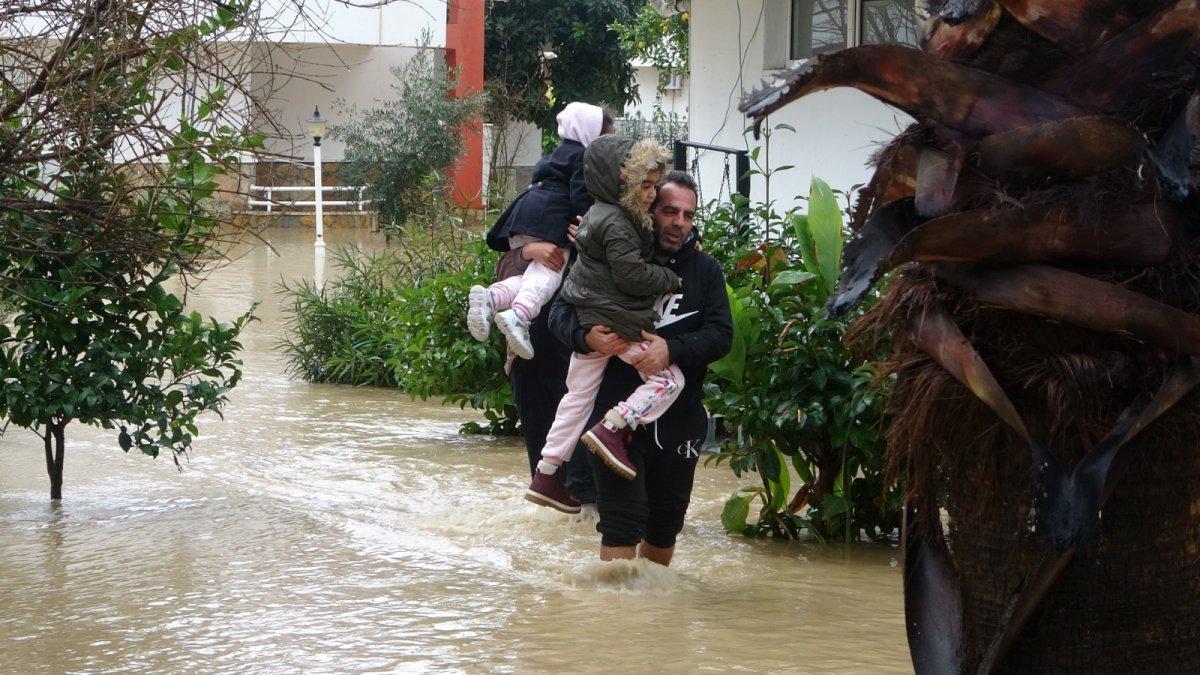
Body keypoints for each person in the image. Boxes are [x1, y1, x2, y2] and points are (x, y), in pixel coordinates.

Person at [548, 171, 732, 565]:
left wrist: (673, 350)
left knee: (665, 525)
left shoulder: (706, 272)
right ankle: (617, 621)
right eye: (669, 211)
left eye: (687, 214)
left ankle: (654, 621)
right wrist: (588, 339)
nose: (678, 222)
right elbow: (559, 312)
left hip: (680, 421)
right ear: (648, 208)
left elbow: (721, 336)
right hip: (611, 425)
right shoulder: (613, 255)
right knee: (620, 522)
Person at [525, 134, 686, 513]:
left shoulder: (601, 216)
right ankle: (614, 427)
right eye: (643, 186)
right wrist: (668, 278)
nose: (650, 196)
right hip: (616, 323)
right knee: (668, 380)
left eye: (653, 187)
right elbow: (631, 276)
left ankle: (547, 474)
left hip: (595, 317)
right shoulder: (618, 223)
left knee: (576, 397)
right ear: (621, 183)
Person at [467, 102, 614, 360]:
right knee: (550, 270)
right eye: (606, 137)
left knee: (532, 278)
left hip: (525, 215)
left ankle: (492, 297)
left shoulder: (553, 157)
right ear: (591, 133)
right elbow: (580, 195)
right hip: (550, 219)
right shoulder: (584, 156)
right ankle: (520, 315)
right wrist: (588, 224)